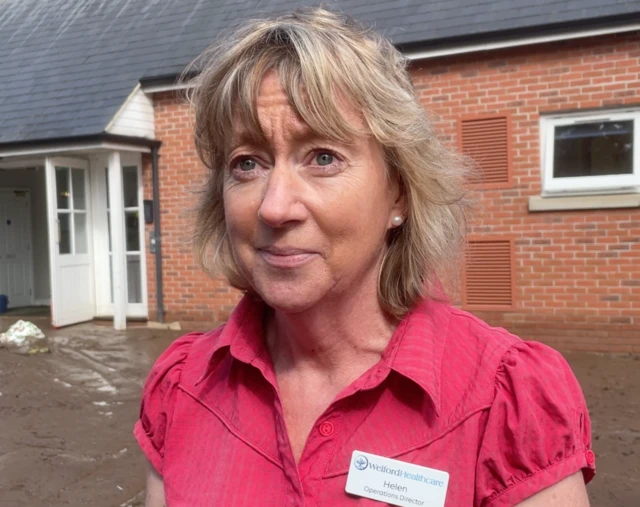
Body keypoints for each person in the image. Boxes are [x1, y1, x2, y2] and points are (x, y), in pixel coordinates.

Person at [135, 7, 595, 506]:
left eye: (323, 157)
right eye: (247, 163)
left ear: (398, 193)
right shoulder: (180, 388)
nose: (274, 206)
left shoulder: (504, 398)